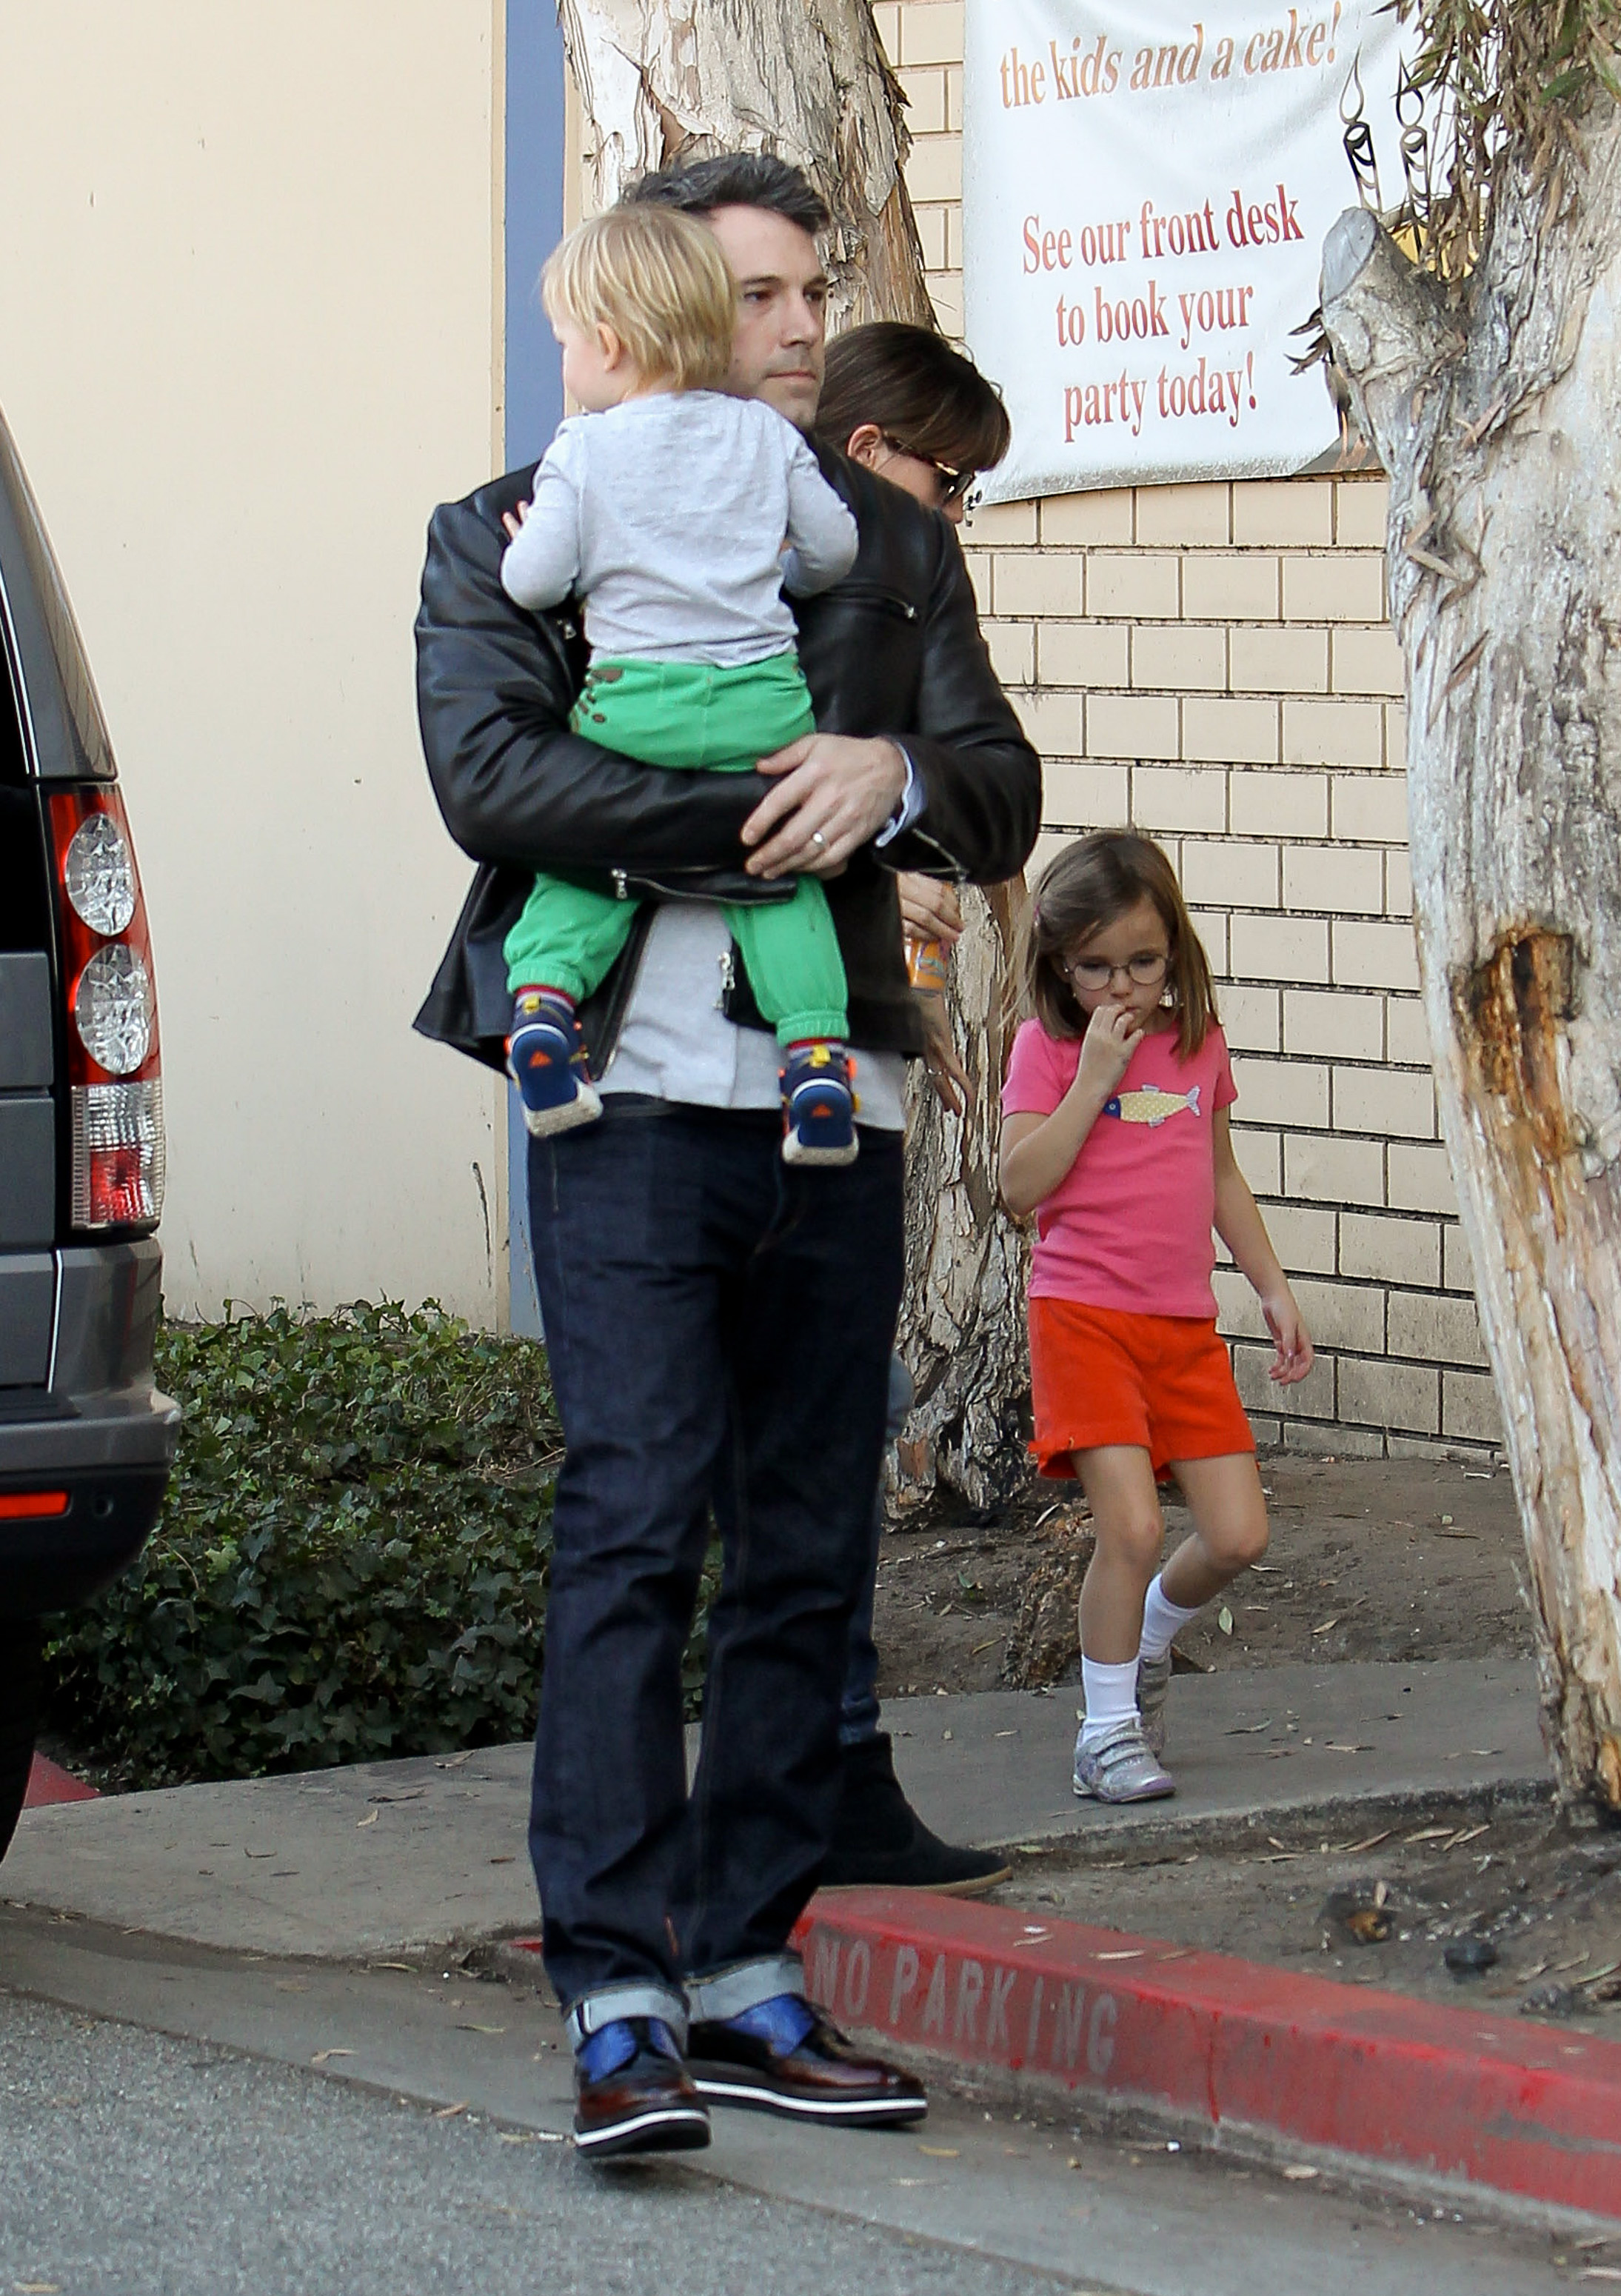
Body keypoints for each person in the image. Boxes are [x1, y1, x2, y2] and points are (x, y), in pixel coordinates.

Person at [414, 152, 1041, 2157]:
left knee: (801, 1554)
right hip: (612, 1108)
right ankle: (611, 1990)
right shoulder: (503, 525)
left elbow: (998, 791)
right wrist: (787, 813)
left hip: (829, 1106)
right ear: (665, 309)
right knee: (629, 1526)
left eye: (802, 294)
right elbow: (489, 779)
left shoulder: (875, 537)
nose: (791, 329)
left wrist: (901, 772)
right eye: (755, 296)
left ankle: (744, 1965)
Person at [498, 205, 865, 1166]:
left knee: (591, 856)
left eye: (566, 342)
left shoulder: (585, 445)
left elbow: (534, 581)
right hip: (760, 708)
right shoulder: (762, 436)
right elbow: (834, 548)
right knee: (775, 877)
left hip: (633, 707)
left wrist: (530, 543)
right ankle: (817, 1062)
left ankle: (542, 1011)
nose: (566, 361)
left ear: (609, 345)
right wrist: (779, 579)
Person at [806, 321, 1016, 1894]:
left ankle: (840, 1767)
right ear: (875, 452)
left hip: (847, 1056)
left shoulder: (918, 587)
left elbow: (996, 789)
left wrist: (894, 774)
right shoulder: (668, 539)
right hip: (663, 1071)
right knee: (668, 1466)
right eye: (953, 481)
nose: (960, 514)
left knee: (837, 1420)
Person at [998, 831, 1313, 1804]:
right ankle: (1103, 1734)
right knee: (1129, 1529)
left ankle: (1145, 1647)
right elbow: (1017, 1187)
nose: (1120, 987)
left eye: (1140, 962)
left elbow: (1218, 1174)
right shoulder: (1047, 1049)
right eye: (1094, 967)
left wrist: (1269, 1284)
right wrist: (1092, 1080)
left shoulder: (1196, 1046)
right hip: (1081, 1317)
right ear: (1058, 961)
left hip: (1179, 1326)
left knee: (1236, 1536)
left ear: (1172, 951)